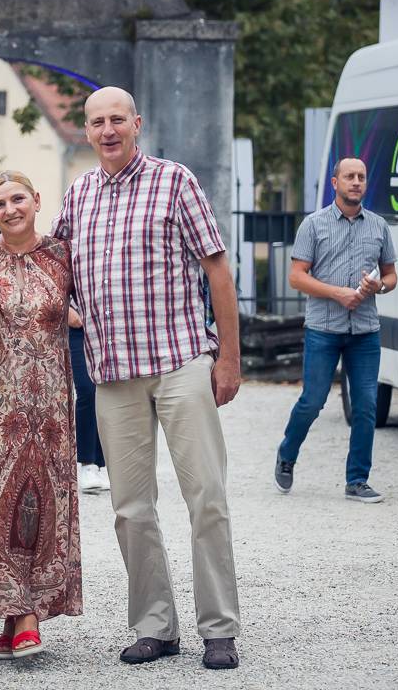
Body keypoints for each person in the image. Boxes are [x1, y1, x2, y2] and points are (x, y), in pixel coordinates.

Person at [51, 86, 244, 671]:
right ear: (86, 132)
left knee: (205, 496)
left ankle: (219, 628)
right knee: (131, 506)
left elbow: (217, 270)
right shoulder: (79, 194)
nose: (108, 130)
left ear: (137, 123)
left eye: (117, 120)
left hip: (181, 361)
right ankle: (155, 626)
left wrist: (229, 358)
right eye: (96, 122)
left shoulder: (175, 181)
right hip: (112, 373)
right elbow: (42, 264)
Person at [0, 171, 82, 661]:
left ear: (36, 201)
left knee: (46, 504)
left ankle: (26, 614)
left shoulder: (64, 255)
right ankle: (16, 613)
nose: (10, 209)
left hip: (52, 404)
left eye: (18, 199)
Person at [274, 156, 398, 503]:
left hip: (365, 332)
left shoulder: (378, 227)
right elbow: (296, 277)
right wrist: (337, 293)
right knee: (312, 402)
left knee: (366, 406)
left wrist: (380, 288)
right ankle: (287, 454)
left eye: (361, 176)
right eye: (349, 176)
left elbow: (391, 275)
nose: (356, 182)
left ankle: (357, 480)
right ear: (335, 183)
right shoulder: (313, 225)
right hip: (323, 330)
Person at [69, 306, 108, 494]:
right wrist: (65, 308)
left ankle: (103, 464)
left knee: (107, 389)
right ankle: (88, 463)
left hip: (104, 321)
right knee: (87, 389)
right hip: (76, 323)